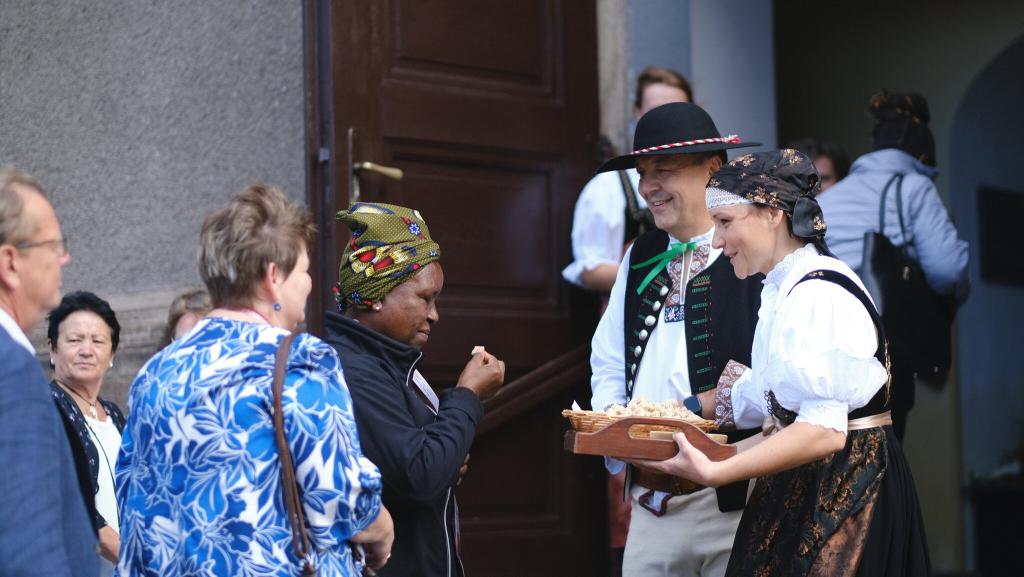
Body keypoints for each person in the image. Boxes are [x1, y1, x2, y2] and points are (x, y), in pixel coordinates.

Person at [639, 149, 931, 576]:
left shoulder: (817, 292)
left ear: (773, 214)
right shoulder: (782, 287)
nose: (717, 242)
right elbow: (768, 392)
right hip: (811, 483)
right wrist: (677, 415)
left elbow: (823, 431)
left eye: (724, 223)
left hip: (847, 488)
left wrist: (720, 470)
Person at [116, 184, 393, 577]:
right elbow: (342, 497)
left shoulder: (154, 374)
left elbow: (132, 498)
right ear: (273, 277)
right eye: (305, 270)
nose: (310, 283)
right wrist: (383, 532)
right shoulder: (303, 360)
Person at [590, 102, 763, 577]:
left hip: (732, 503)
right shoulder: (641, 254)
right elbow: (608, 357)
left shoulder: (753, 252)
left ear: (713, 168)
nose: (648, 188)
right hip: (651, 507)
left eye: (662, 171)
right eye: (643, 173)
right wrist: (612, 427)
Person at [324, 202, 506, 577]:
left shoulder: (391, 360)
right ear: (375, 294)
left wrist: (445, 457)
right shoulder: (354, 369)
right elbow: (419, 475)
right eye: (425, 298)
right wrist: (468, 394)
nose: (435, 314)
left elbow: (418, 462)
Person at [818, 90, 969, 440]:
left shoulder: (830, 198)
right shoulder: (913, 187)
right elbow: (947, 271)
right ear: (921, 152)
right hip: (884, 351)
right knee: (884, 460)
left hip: (827, 348)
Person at [0, 166, 99, 577]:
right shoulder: (12, 371)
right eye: (53, 244)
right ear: (10, 262)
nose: (64, 257)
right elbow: (29, 549)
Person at [563, 66, 693, 294]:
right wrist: (666, 273)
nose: (665, 121)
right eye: (655, 111)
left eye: (676, 111)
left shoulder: (715, 185)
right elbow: (590, 268)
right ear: (637, 112)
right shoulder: (608, 187)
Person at [48, 291, 126, 575]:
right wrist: (131, 558)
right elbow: (73, 501)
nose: (86, 350)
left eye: (97, 341)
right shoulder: (46, 410)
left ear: (112, 354)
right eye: (74, 340)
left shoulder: (115, 415)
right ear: (53, 350)